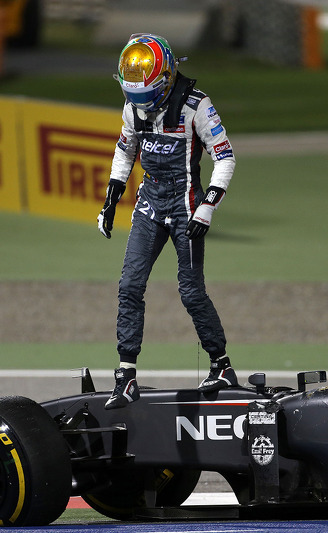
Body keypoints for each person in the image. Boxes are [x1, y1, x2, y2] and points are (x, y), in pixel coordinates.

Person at [98, 33, 238, 409]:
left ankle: (221, 364)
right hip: (149, 202)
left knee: (190, 291)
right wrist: (110, 200)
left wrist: (207, 206)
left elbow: (225, 157)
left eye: (147, 96)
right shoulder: (133, 109)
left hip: (186, 207)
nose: (141, 105)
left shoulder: (197, 106)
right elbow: (125, 152)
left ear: (166, 77)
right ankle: (126, 376)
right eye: (135, 97)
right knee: (129, 285)